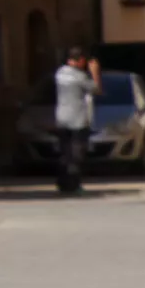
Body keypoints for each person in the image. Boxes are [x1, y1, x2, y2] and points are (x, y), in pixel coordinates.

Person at [53, 47, 100, 193]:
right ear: (79, 60)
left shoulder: (59, 73)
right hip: (77, 119)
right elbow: (96, 89)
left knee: (65, 152)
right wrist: (95, 72)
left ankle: (63, 183)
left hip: (62, 118)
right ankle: (74, 184)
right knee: (77, 153)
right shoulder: (80, 77)